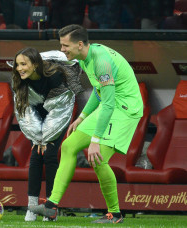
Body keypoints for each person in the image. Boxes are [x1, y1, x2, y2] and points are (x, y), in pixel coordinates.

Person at [29, 24, 143, 224]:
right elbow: (99, 93)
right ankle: (51, 207)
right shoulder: (84, 59)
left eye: (65, 46)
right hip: (111, 104)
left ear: (80, 44)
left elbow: (108, 104)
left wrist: (95, 139)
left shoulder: (101, 62)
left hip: (125, 109)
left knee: (97, 158)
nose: (63, 50)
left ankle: (114, 215)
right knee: (68, 146)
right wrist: (82, 117)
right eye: (61, 45)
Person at [11, 47, 83, 221]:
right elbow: (24, 112)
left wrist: (47, 137)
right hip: (36, 113)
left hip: (60, 111)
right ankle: (32, 207)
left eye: (24, 64)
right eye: (17, 65)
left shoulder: (55, 76)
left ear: (35, 65)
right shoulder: (18, 79)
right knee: (36, 153)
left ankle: (50, 208)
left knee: (50, 154)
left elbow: (60, 110)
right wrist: (37, 137)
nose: (20, 68)